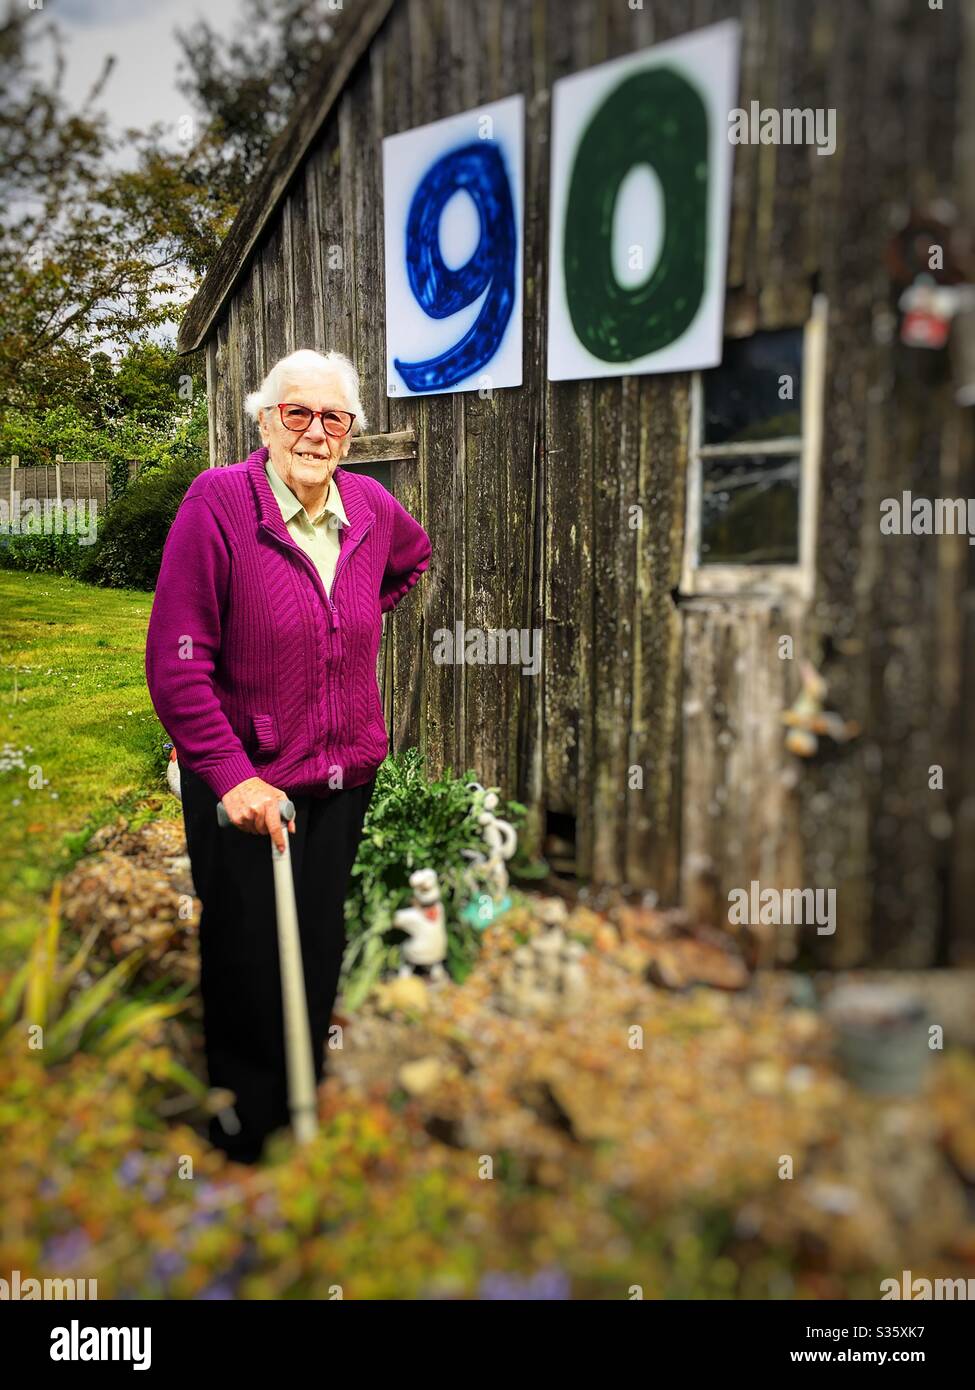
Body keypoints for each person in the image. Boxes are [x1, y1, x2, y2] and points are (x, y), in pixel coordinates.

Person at [145, 348, 431, 1162]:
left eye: (331, 417)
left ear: (350, 431)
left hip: (342, 775)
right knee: (244, 952)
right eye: (294, 413)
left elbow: (411, 558)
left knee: (314, 936)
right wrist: (231, 775)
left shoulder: (371, 505)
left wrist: (339, 616)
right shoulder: (220, 503)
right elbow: (176, 660)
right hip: (248, 785)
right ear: (264, 420)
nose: (313, 431)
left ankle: (303, 1087)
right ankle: (245, 1128)